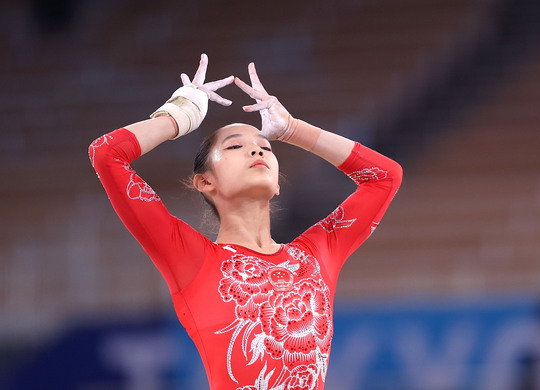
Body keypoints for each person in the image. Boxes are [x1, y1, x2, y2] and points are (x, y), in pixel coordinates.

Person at [89, 54, 402, 390]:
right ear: (205, 182)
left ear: (278, 182)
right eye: (236, 146)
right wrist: (180, 114)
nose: (257, 152)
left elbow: (384, 177)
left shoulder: (317, 255)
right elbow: (107, 154)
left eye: (266, 147)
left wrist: (294, 129)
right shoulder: (191, 259)